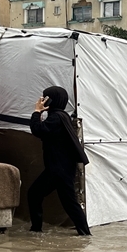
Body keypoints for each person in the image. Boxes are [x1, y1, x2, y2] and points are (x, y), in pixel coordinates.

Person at [28, 86, 91, 236]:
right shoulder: (62, 116)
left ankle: (36, 230)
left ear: (52, 100)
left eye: (45, 98)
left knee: (34, 194)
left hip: (57, 169)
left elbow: (38, 130)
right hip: (62, 168)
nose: (42, 101)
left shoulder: (56, 117)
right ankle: (85, 234)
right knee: (69, 203)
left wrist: (37, 111)